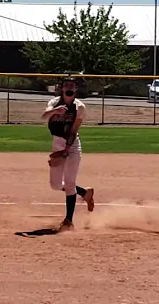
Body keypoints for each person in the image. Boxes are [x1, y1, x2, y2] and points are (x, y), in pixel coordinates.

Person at [42, 77, 95, 232]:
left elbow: (74, 129)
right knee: (56, 185)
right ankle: (85, 193)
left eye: (72, 85)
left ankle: (68, 221)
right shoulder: (54, 102)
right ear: (62, 88)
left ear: (76, 88)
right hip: (57, 144)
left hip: (72, 146)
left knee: (70, 183)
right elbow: (44, 116)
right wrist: (55, 111)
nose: (69, 88)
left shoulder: (80, 107)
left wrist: (67, 149)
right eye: (66, 86)